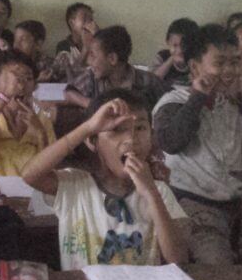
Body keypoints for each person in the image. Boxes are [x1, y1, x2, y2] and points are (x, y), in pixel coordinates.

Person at [22, 89, 189, 269]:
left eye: (140, 128)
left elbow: (178, 259)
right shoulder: (74, 186)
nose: (131, 140)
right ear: (92, 141)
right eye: (116, 129)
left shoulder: (159, 192)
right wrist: (87, 128)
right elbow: (30, 175)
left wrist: (151, 194)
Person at [153, 24, 242, 265]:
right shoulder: (174, 102)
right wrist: (198, 97)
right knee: (219, 268)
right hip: (192, 206)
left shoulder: (237, 105)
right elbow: (171, 142)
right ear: (195, 67)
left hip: (238, 205)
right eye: (220, 63)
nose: (229, 71)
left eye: (235, 62)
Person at [0, 51, 55, 181]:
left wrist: (40, 133)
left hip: (32, 195)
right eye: (16, 79)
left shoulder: (42, 120)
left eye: (28, 79)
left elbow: (49, 169)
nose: (21, 85)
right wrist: (4, 97)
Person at [65, 26, 167, 109]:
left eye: (93, 56)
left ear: (112, 59)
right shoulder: (92, 78)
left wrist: (95, 106)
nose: (88, 61)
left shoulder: (148, 82)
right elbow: (66, 93)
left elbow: (172, 102)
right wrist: (87, 103)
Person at [53, 2, 96, 83]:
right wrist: (86, 48)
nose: (90, 23)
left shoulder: (97, 44)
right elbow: (68, 76)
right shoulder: (63, 46)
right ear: (72, 23)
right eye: (85, 19)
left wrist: (98, 38)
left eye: (91, 19)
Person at [151, 18, 199, 87]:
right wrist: (171, 59)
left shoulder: (196, 58)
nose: (180, 50)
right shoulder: (162, 56)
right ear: (168, 42)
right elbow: (153, 79)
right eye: (175, 45)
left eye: (184, 46)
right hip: (163, 92)